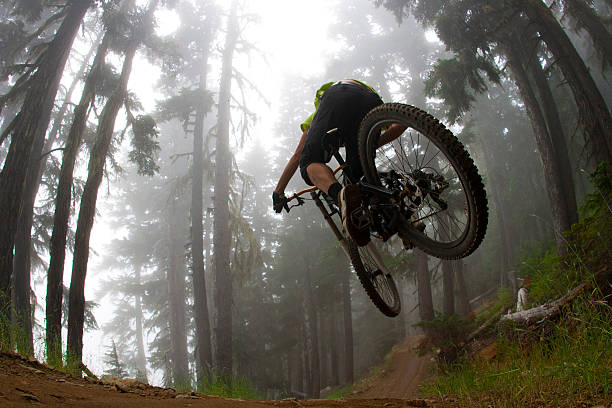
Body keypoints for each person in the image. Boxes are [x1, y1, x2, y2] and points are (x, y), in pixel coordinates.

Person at [272, 79, 405, 246]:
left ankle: (339, 196)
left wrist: (278, 192)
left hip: (338, 94)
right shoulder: (366, 96)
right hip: (369, 99)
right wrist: (368, 144)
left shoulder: (318, 115)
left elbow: (299, 154)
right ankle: (407, 222)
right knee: (362, 183)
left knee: (309, 161)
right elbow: (399, 125)